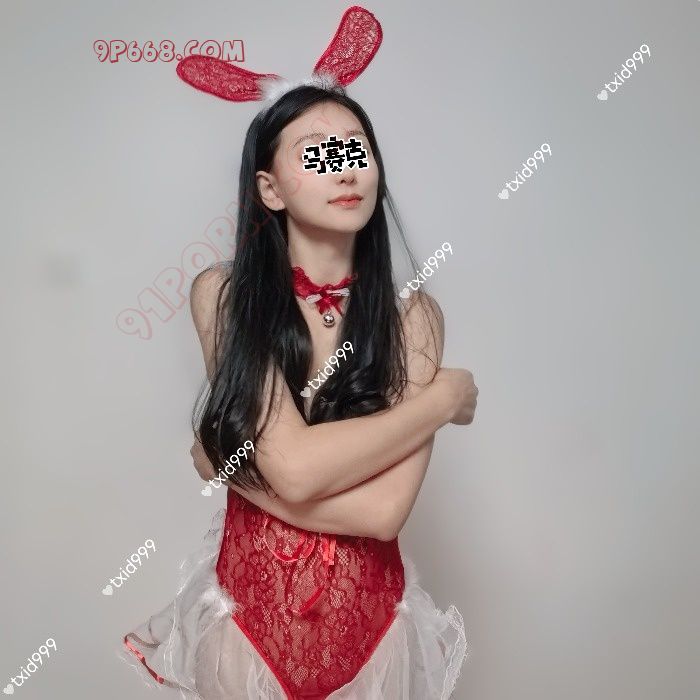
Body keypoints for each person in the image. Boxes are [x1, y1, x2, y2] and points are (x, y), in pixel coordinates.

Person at [121, 7, 478, 698]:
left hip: (373, 630)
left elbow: (382, 513)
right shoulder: (226, 294)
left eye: (356, 151)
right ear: (270, 188)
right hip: (245, 624)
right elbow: (296, 469)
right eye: (317, 153)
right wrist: (440, 401)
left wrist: (235, 468)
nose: (343, 169)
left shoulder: (414, 318)